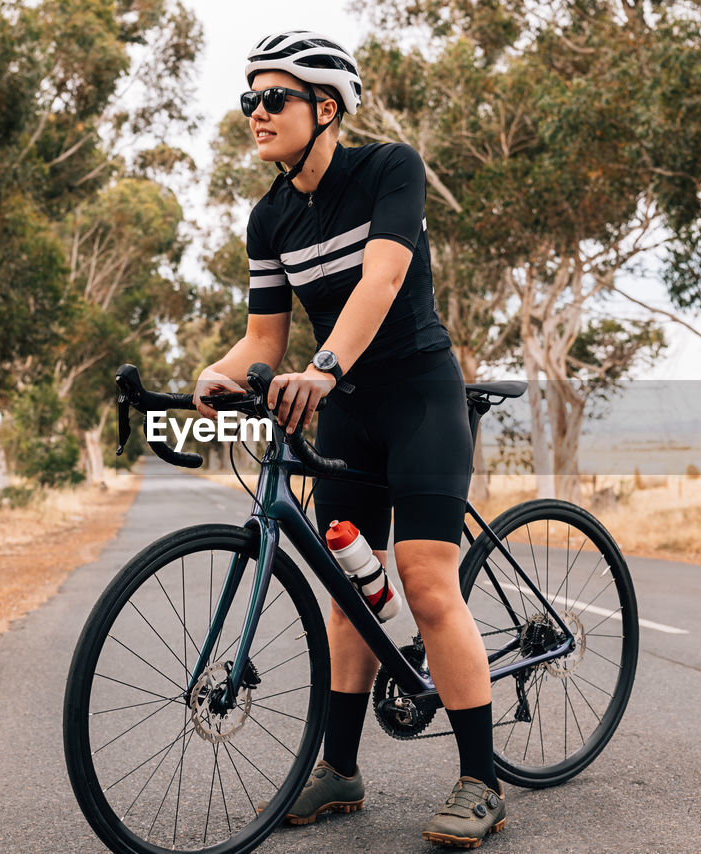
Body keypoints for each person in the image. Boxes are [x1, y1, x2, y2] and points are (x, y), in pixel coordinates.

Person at [192, 30, 505, 848]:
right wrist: (214, 375)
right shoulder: (270, 218)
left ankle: (482, 781)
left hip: (418, 397)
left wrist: (323, 367)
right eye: (248, 100)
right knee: (347, 596)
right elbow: (263, 342)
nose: (256, 113)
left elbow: (384, 278)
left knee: (426, 583)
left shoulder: (388, 169)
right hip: (347, 411)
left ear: (325, 108)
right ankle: (341, 770)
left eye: (274, 99)